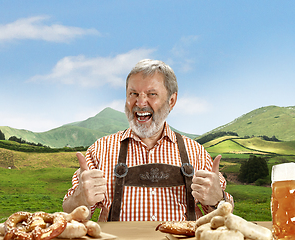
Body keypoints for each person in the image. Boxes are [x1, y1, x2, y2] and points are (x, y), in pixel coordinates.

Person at [62, 59, 234, 222]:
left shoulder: (195, 152)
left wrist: (218, 200)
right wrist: (80, 198)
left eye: (152, 94)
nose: (141, 102)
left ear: (171, 101)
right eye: (133, 93)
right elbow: (70, 213)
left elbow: (224, 213)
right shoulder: (100, 150)